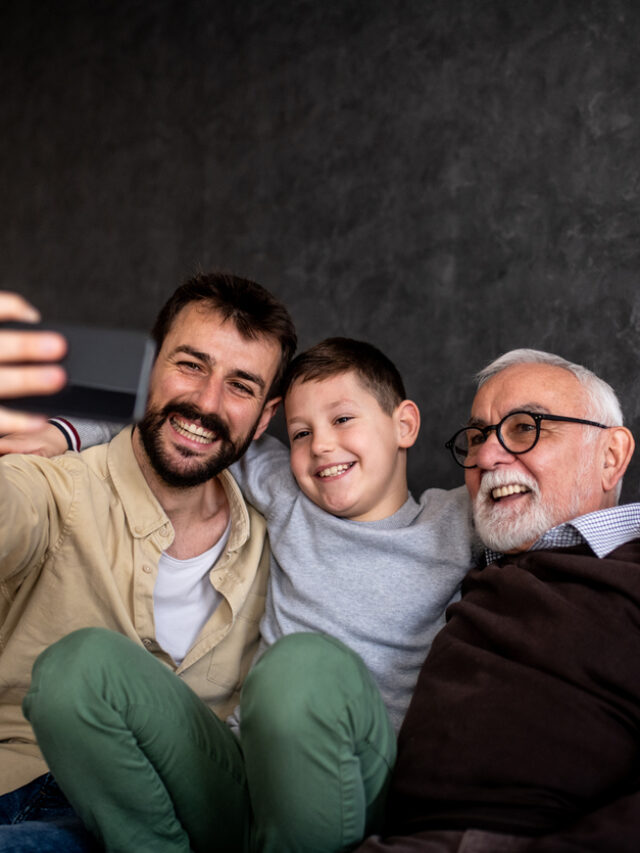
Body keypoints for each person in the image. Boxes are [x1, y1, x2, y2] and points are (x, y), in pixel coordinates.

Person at [8, 337, 476, 852]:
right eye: (301, 432)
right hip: (239, 783)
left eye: (342, 420)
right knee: (74, 668)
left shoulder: (456, 522)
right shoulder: (288, 494)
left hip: (353, 791)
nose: (320, 445)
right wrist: (62, 433)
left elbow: (545, 491)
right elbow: (177, 425)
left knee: (300, 668)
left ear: (404, 424)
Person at [0, 272, 297, 852]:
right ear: (150, 368)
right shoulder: (54, 484)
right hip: (17, 784)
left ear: (265, 417)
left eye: (241, 385)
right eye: (190, 365)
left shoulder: (282, 540)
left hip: (170, 811)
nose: (206, 403)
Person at [356, 348, 640, 853]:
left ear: (611, 457)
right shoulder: (465, 561)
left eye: (526, 427)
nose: (486, 457)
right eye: (477, 436)